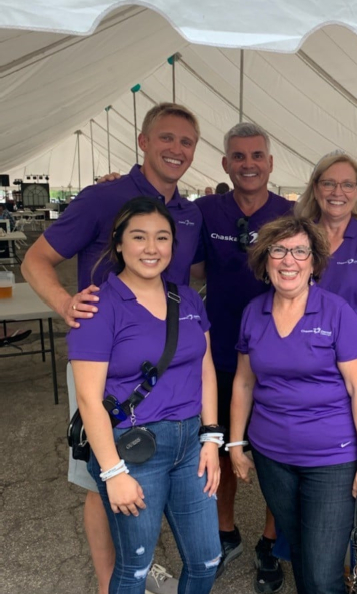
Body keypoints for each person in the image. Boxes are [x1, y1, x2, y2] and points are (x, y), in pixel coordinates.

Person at [21, 102, 203, 594]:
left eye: (186, 142)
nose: (176, 149)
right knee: (103, 481)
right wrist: (66, 304)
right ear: (143, 142)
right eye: (166, 138)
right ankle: (112, 583)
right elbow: (36, 259)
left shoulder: (189, 213)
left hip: (169, 364)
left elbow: (194, 274)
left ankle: (138, 563)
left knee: (158, 474)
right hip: (104, 365)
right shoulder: (103, 198)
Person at [67, 197, 221, 594]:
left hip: (191, 446)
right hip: (135, 448)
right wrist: (113, 471)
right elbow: (88, 398)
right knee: (134, 567)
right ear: (119, 244)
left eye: (162, 237)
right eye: (139, 237)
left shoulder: (186, 299)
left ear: (173, 245)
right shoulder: (98, 306)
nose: (151, 248)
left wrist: (210, 435)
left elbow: (204, 368)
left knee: (206, 561)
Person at [229, 216, 357, 594]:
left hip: (332, 460)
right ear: (265, 261)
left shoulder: (337, 312)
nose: (288, 260)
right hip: (272, 457)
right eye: (278, 251)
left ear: (314, 262)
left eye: (299, 251)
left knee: (322, 575)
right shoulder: (254, 312)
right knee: (300, 554)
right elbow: (244, 382)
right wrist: (235, 445)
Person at [192, 122, 292, 592]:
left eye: (257, 155)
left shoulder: (292, 214)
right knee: (220, 446)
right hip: (218, 354)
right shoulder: (205, 211)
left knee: (273, 452)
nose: (248, 163)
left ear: (270, 163)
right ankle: (224, 531)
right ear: (225, 163)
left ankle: (271, 542)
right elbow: (156, 235)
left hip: (276, 356)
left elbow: (335, 237)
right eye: (238, 156)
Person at [294, 154, 357, 449]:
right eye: (329, 183)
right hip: (303, 374)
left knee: (353, 464)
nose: (337, 192)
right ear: (315, 188)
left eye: (347, 185)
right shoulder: (299, 236)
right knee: (301, 456)